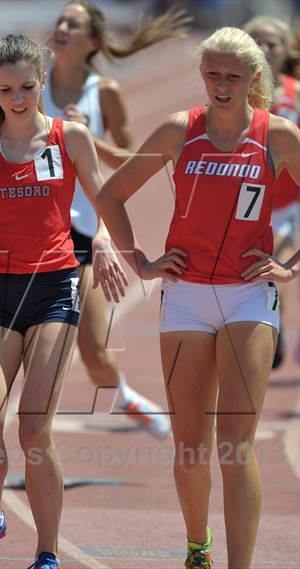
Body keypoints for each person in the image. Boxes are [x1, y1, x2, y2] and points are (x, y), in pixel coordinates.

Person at [96, 27, 300, 569]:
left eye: (233, 76)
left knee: (234, 441)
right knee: (191, 448)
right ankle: (196, 548)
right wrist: (138, 259)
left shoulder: (277, 135)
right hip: (185, 296)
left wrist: (291, 264)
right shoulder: (180, 130)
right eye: (212, 74)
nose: (221, 85)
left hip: (248, 297)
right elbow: (112, 193)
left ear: (255, 78)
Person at [0, 34, 124, 569]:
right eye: (6, 89)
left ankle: (46, 551)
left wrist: (105, 240)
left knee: (35, 426)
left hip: (56, 284)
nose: (18, 98)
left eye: (26, 86)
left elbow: (104, 201)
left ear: (42, 82)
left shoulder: (71, 137)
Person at [43, 0, 188, 437]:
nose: (62, 27)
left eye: (74, 24)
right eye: (60, 21)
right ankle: (30, 436)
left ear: (92, 42)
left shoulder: (103, 91)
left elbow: (133, 159)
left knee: (92, 351)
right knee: (32, 343)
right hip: (33, 224)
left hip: (83, 229)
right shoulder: (29, 84)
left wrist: (86, 136)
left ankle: (123, 396)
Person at [244, 16, 300, 367]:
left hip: (294, 197)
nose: (264, 50)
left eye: (272, 44)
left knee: (280, 262)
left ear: (285, 50)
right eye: (257, 42)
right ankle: (272, 327)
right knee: (265, 266)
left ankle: (274, 329)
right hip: (256, 198)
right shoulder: (237, 95)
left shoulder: (296, 94)